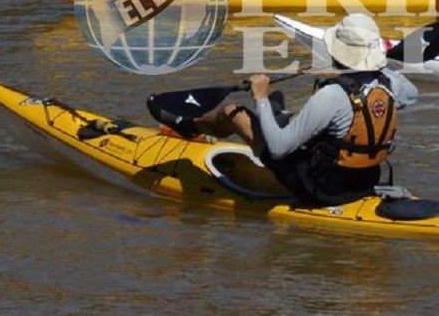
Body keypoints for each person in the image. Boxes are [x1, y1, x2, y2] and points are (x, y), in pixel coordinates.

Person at [164, 14, 419, 206]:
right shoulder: (393, 84)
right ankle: (259, 115)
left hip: (325, 188)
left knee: (235, 112)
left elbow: (278, 148)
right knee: (282, 102)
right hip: (366, 180)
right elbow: (410, 96)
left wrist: (261, 98)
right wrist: (375, 66)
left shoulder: (332, 95)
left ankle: (189, 126)